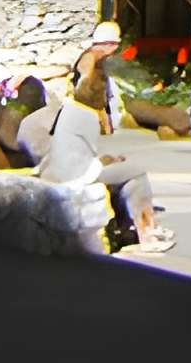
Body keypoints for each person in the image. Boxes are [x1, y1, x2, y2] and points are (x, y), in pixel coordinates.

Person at [20, 62, 169, 254]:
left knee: (127, 178)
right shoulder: (67, 114)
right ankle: (146, 233)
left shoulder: (34, 122)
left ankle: (131, 231)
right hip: (72, 177)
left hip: (58, 173)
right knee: (136, 172)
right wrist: (104, 161)